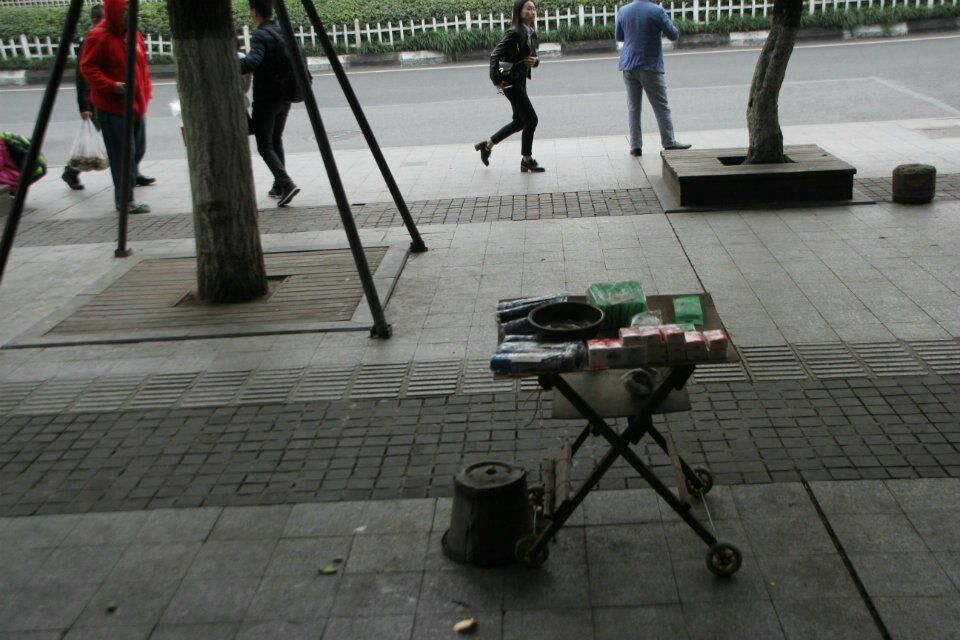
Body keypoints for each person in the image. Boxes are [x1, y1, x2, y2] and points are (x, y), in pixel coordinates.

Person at [79, 0, 154, 215]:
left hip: (137, 105)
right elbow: (88, 68)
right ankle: (125, 200)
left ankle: (128, 191)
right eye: (125, 15)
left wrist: (146, 91)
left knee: (136, 151)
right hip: (113, 108)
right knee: (123, 156)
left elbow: (142, 67)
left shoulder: (133, 35)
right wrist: (111, 86)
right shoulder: (98, 36)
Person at [241, 0, 301, 208]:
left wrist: (229, 62)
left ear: (254, 11)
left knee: (264, 144)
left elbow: (252, 62)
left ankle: (286, 183)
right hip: (286, 95)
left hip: (267, 98)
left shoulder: (260, 34)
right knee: (276, 139)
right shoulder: (282, 30)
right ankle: (278, 186)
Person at [475, 0, 544, 174]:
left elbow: (533, 56)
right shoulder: (514, 33)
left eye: (534, 8)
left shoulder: (530, 32)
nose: (532, 11)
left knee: (520, 121)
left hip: (520, 80)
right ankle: (527, 160)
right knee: (531, 119)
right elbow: (494, 55)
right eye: (528, 8)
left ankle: (487, 145)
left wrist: (535, 62)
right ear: (519, 11)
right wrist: (495, 79)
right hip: (510, 82)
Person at [616, 0, 691, 156]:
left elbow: (619, 36)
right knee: (661, 106)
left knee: (633, 107)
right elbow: (673, 35)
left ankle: (635, 146)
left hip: (628, 64)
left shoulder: (623, 11)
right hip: (649, 64)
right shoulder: (656, 11)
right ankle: (669, 142)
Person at [62, 3, 105, 191]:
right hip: (94, 98)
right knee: (94, 135)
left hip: (107, 94)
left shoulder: (105, 37)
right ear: (95, 21)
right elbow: (83, 75)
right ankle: (71, 171)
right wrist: (84, 105)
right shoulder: (90, 40)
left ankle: (132, 173)